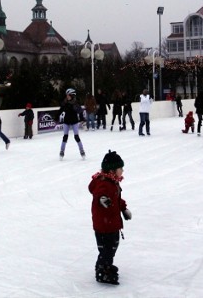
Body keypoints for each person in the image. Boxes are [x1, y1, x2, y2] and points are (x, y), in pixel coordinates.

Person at [88, 150, 131, 285]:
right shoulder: (104, 183)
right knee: (107, 248)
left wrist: (123, 208)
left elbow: (117, 198)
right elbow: (99, 193)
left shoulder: (112, 182)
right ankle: (102, 270)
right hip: (104, 224)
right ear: (112, 170)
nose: (122, 171)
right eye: (120, 168)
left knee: (111, 247)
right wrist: (103, 199)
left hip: (112, 222)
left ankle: (105, 265)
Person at [58, 88, 85, 159]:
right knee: (65, 137)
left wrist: (82, 118)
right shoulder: (65, 102)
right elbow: (60, 110)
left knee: (76, 137)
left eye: (68, 95)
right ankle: (62, 151)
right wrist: (56, 116)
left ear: (72, 95)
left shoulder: (75, 104)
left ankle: (82, 151)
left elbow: (80, 111)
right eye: (67, 95)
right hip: (66, 121)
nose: (67, 96)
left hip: (74, 122)